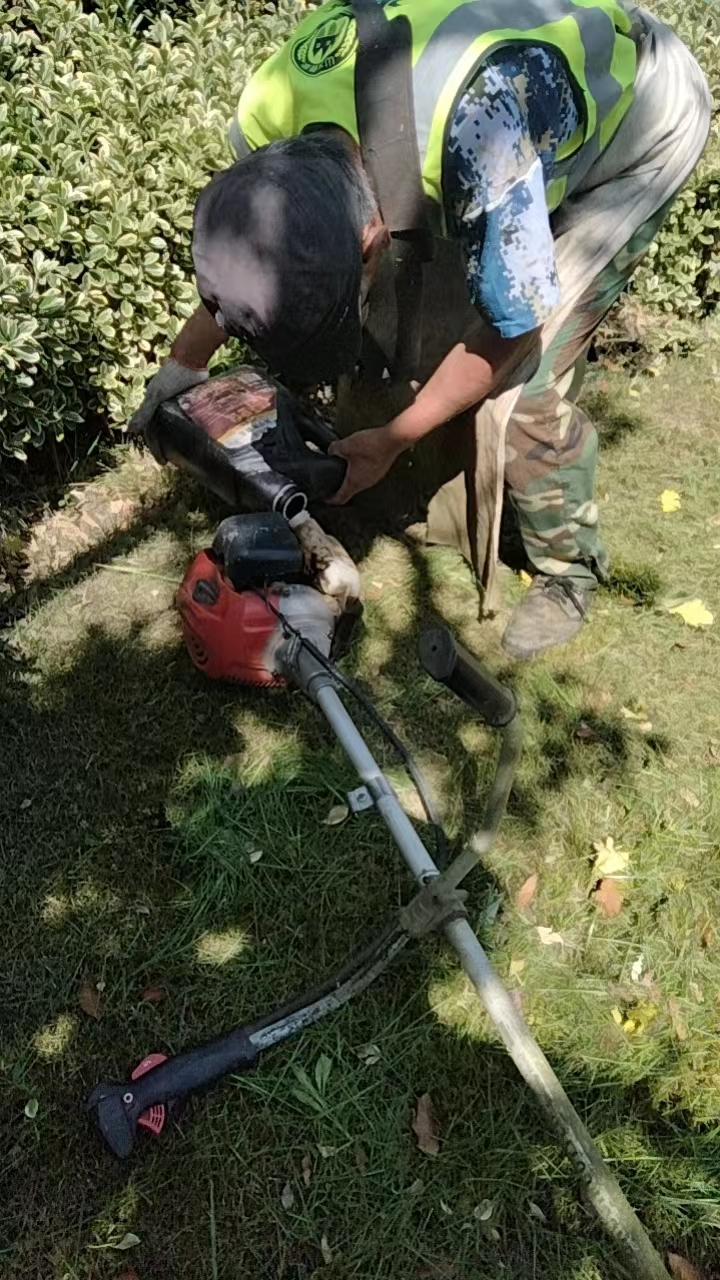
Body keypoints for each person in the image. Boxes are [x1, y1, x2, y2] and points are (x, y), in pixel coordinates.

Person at [130, 0, 710, 659]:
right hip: (506, 120)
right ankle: (422, 488)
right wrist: (182, 366)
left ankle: (568, 569)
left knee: (526, 388)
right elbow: (254, 260)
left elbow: (513, 326)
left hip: (638, 126)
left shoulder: (478, 136)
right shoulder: (270, 106)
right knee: (407, 312)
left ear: (370, 240)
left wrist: (394, 438)